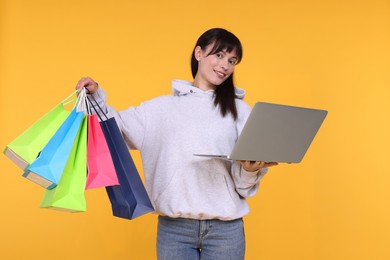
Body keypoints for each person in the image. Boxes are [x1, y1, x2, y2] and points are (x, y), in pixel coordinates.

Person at [76, 28, 278, 260]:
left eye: (232, 61)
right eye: (219, 55)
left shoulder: (240, 111)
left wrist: (251, 170)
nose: (225, 65)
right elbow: (114, 129)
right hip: (175, 229)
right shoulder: (160, 109)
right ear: (198, 53)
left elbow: (243, 188)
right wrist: (95, 97)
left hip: (226, 229)